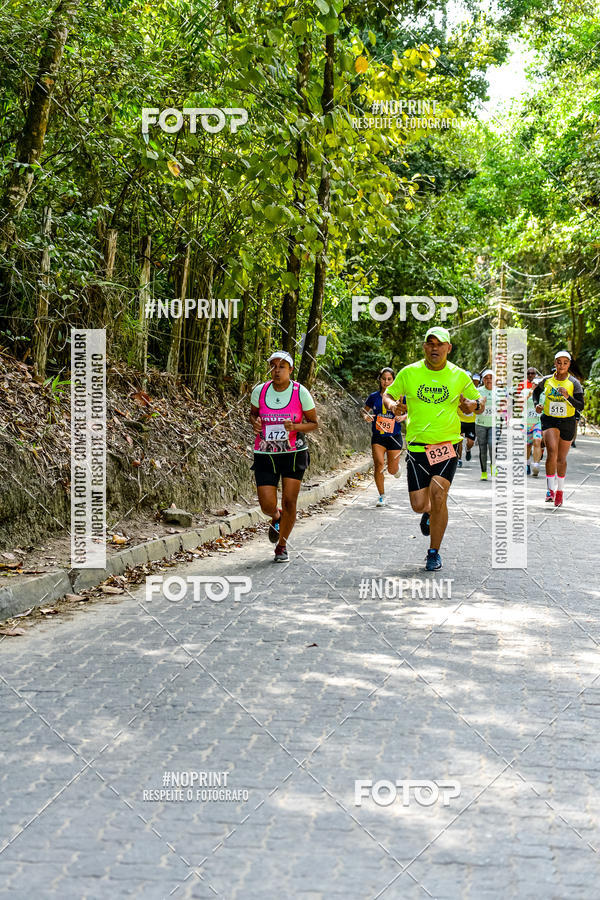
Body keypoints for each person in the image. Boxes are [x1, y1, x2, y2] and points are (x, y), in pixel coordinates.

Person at [382, 326, 481, 571]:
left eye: (440, 344)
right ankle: (428, 512)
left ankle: (433, 552)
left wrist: (473, 405)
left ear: (448, 348)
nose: (435, 348)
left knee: (439, 495)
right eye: (430, 343)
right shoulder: (409, 373)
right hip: (417, 446)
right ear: (425, 346)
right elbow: (388, 394)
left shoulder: (459, 375)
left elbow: (478, 402)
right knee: (419, 504)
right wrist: (393, 405)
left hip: (447, 444)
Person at [250, 351, 319, 562]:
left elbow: (314, 423)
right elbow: (253, 414)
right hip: (265, 452)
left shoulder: (300, 392)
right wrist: (254, 422)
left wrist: (296, 426)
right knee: (266, 505)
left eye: (282, 366)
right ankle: (276, 516)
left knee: (290, 501)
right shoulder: (260, 391)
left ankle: (282, 546)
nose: (277, 370)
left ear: (290, 370)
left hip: (293, 453)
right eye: (273, 366)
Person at [532, 350, 584, 507]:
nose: (561, 365)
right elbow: (536, 392)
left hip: (567, 421)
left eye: (565, 363)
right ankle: (550, 490)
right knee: (552, 452)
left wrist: (568, 397)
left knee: (561, 458)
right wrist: (537, 405)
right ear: (554, 363)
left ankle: (560, 491)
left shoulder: (574, 383)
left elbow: (580, 406)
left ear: (569, 365)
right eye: (558, 362)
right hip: (549, 419)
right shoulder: (547, 380)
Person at [362, 368, 406, 507]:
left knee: (392, 470)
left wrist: (403, 417)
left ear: (393, 380)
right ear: (379, 380)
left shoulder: (400, 397)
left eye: (389, 379)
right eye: (383, 379)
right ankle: (382, 496)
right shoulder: (374, 396)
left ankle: (396, 468)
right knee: (379, 464)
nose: (386, 382)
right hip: (378, 437)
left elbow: (413, 412)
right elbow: (364, 410)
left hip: (394, 436)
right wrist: (366, 416)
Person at [475, 369, 504, 481]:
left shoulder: (499, 392)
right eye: (486, 378)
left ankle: (493, 466)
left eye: (491, 378)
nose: (489, 380)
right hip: (480, 423)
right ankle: (483, 472)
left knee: (492, 444)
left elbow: (504, 407)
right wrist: (480, 404)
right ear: (483, 380)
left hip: (494, 424)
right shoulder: (478, 391)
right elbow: (474, 406)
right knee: (482, 449)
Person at [457, 371, 476, 467]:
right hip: (459, 420)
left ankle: (468, 450)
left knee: (470, 442)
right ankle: (459, 459)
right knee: (459, 440)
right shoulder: (457, 391)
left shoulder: (474, 391)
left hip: (471, 422)